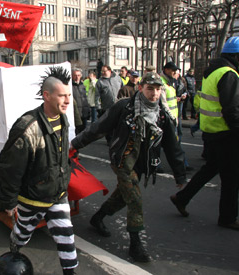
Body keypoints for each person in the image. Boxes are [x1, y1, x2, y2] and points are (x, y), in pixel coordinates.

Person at [71, 72, 186, 262]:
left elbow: (172, 146)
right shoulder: (124, 107)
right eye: (150, 89)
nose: (155, 94)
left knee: (123, 196)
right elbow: (98, 127)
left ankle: (97, 217)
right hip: (123, 161)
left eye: (158, 90)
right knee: (134, 199)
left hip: (143, 164)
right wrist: (75, 144)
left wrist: (180, 175)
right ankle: (135, 245)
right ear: (140, 88)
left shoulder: (162, 115)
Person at [0, 66, 78, 274]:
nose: (68, 100)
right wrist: (9, 202)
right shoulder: (27, 128)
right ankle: (13, 255)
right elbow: (10, 168)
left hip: (57, 193)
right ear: (46, 96)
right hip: (33, 198)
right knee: (22, 233)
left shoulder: (63, 117)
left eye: (69, 95)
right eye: (62, 96)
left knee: (67, 239)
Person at [170, 36, 239, 231]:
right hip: (227, 133)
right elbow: (232, 110)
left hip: (212, 131)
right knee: (231, 177)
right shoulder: (229, 74)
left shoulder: (212, 72)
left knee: (210, 169)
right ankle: (228, 217)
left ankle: (182, 198)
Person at [72, 68, 90, 133]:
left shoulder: (82, 85)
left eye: (78, 75)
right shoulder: (70, 86)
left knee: (83, 132)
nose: (77, 77)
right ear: (72, 76)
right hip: (75, 114)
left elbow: (85, 99)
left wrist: (88, 110)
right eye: (75, 75)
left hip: (83, 113)